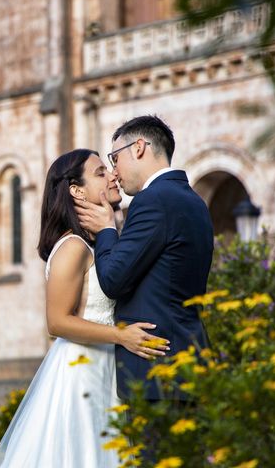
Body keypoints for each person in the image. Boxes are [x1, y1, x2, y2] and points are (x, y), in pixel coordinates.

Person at [0, 149, 170, 468]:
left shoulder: (101, 244)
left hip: (107, 370)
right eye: (100, 172)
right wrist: (120, 335)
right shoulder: (72, 247)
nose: (112, 175)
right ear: (76, 190)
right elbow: (57, 322)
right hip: (82, 372)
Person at [75, 115, 214, 403]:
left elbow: (113, 279)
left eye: (115, 159)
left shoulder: (153, 200)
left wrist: (105, 230)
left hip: (157, 368)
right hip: (189, 360)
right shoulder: (194, 201)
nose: (114, 173)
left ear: (138, 148)